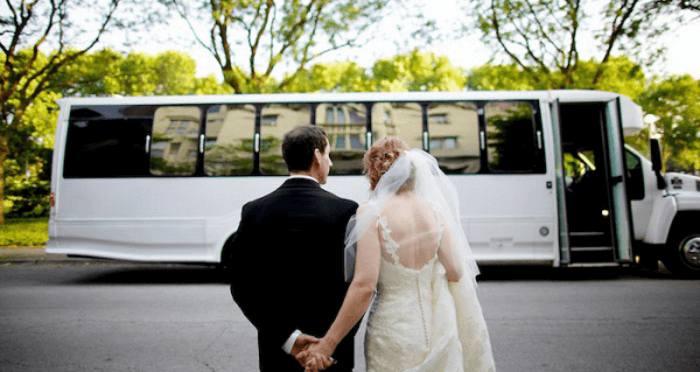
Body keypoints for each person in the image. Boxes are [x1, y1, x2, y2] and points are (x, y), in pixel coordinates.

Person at [299, 137, 496, 372]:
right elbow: (455, 272)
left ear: (375, 171)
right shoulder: (435, 211)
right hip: (435, 326)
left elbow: (364, 285)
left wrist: (327, 344)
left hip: (392, 328)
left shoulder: (372, 213)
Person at [229, 125, 359, 371]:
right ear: (317, 156)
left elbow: (242, 286)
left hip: (277, 351)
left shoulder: (254, 210)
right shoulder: (346, 211)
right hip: (331, 350)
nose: (330, 163)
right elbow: (357, 283)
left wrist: (288, 339)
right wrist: (331, 342)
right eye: (328, 155)